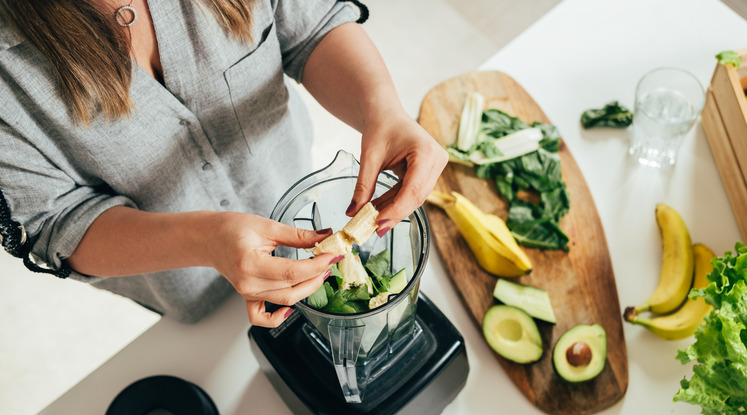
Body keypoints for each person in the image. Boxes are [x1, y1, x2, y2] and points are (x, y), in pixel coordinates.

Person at [0, 0, 447, 327]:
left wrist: (382, 106)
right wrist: (205, 240)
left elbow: (313, 25)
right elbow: (54, 222)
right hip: (180, 281)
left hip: (287, 188)